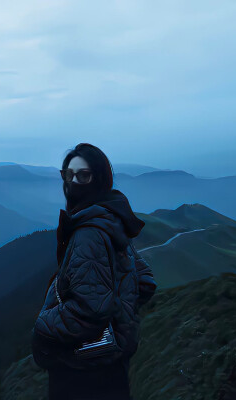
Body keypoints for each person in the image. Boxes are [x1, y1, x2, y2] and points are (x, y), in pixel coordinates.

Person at [31, 143, 157, 400]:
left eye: (83, 175)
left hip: (83, 372)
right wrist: (121, 318)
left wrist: (42, 327)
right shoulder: (112, 220)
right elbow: (143, 281)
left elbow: (91, 308)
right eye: (69, 174)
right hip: (110, 366)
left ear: (99, 178)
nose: (74, 181)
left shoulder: (89, 233)